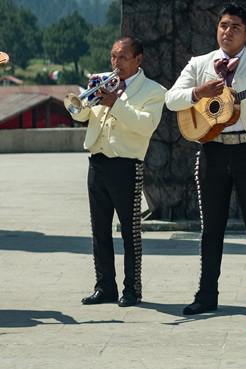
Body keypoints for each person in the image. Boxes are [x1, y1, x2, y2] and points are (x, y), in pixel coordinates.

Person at [165, 2, 246, 316]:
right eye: (223, 25)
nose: (227, 32)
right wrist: (197, 93)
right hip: (212, 151)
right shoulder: (199, 63)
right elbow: (171, 99)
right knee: (210, 228)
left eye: (234, 27)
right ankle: (206, 296)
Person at [75, 37, 167, 307]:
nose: (116, 63)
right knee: (99, 230)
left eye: (123, 57)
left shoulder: (153, 90)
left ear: (138, 60)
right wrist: (87, 99)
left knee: (130, 232)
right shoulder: (102, 81)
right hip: (97, 162)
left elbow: (145, 125)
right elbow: (80, 115)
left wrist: (116, 103)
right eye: (113, 56)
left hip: (126, 165)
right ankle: (104, 287)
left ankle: (132, 289)